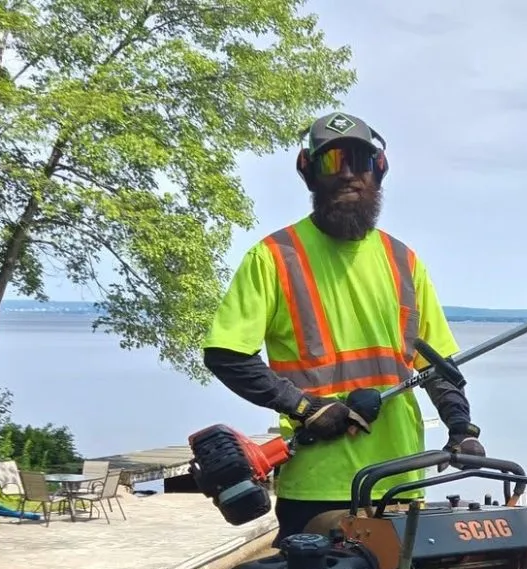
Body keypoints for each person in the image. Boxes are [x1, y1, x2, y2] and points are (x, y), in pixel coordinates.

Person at [202, 111, 486, 546]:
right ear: (309, 173)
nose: (349, 174)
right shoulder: (274, 257)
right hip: (318, 488)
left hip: (401, 481)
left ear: (380, 171)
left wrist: (461, 429)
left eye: (360, 161)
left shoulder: (403, 261)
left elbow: (437, 366)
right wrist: (305, 407)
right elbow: (226, 354)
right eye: (333, 163)